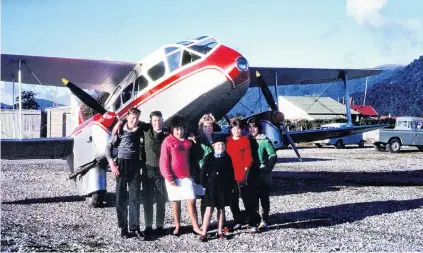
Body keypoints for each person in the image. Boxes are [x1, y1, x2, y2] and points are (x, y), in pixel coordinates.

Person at [105, 107, 148, 239]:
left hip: (135, 164)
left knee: (134, 197)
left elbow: (154, 127)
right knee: (121, 198)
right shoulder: (120, 130)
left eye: (137, 118)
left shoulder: (140, 129)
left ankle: (135, 228)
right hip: (122, 165)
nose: (135, 120)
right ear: (128, 117)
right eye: (132, 118)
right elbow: (108, 148)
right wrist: (112, 165)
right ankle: (123, 228)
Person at [159, 115, 202, 236]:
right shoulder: (167, 141)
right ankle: (177, 226)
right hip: (173, 178)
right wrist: (168, 176)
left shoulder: (188, 141)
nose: (179, 131)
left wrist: (194, 141)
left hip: (187, 177)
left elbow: (195, 156)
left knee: (191, 201)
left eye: (182, 128)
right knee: (175, 202)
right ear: (173, 129)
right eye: (177, 129)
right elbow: (163, 161)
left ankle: (195, 226)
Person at [225, 118, 261, 233]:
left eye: (239, 128)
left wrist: (245, 176)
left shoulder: (245, 140)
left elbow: (248, 160)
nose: (237, 131)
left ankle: (253, 223)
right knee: (233, 201)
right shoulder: (227, 140)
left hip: (242, 175)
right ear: (231, 129)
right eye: (234, 128)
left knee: (247, 200)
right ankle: (238, 220)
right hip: (230, 176)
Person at [199, 136, 235, 242]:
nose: (221, 147)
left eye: (223, 145)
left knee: (221, 209)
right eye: (218, 145)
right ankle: (204, 232)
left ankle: (220, 231)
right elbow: (203, 171)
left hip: (223, 187)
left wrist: (231, 186)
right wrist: (204, 184)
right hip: (211, 186)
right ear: (214, 146)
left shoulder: (227, 158)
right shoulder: (209, 157)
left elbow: (231, 173)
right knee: (209, 208)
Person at [247, 117, 277, 230]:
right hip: (251, 174)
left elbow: (273, 155)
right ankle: (255, 219)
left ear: (258, 128)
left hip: (263, 174)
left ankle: (265, 219)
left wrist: (268, 168)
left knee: (264, 197)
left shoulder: (264, 140)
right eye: (249, 128)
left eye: (254, 127)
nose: (252, 130)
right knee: (253, 198)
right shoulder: (247, 140)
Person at [190, 113, 216, 221]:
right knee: (205, 197)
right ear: (201, 127)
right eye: (205, 126)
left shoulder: (216, 138)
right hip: (204, 172)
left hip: (214, 171)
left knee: (212, 196)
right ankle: (205, 220)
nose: (208, 128)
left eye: (210, 125)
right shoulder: (198, 141)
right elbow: (196, 158)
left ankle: (209, 218)